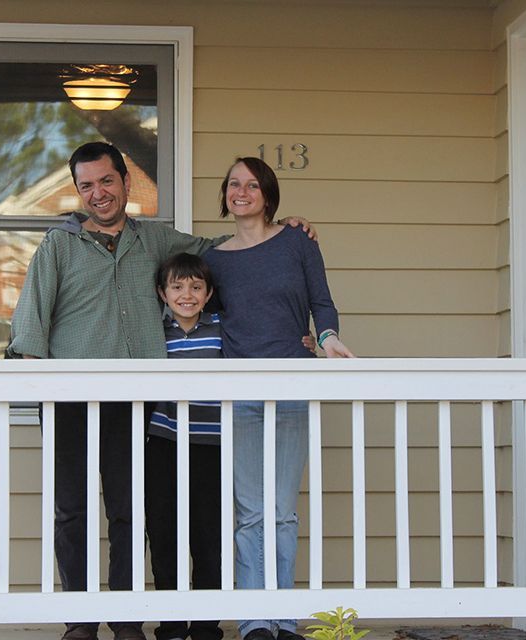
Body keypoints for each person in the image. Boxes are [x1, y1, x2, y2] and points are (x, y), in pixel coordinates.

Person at [8, 142, 314, 640]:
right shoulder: (59, 245)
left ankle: (128, 620)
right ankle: (82, 622)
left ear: (126, 182)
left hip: (136, 406)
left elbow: (218, 248)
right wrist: (41, 385)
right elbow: (30, 328)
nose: (98, 193)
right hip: (68, 399)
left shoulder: (153, 240)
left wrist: (278, 231)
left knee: (129, 513)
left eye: (106, 181)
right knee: (73, 512)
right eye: (86, 185)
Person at [203, 157, 355, 640]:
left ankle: (284, 618)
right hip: (240, 392)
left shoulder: (297, 241)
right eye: (233, 185)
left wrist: (326, 338)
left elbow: (321, 302)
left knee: (282, 511)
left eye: (251, 185)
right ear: (225, 195)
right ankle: (255, 623)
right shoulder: (214, 257)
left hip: (293, 386)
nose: (241, 192)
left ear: (268, 194)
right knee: (251, 513)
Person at [145, 252, 224, 640]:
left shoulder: (223, 330)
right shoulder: (153, 332)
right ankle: (172, 624)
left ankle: (206, 624)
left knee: (208, 535)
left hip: (211, 445)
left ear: (208, 293)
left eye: (195, 287)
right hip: (163, 442)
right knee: (164, 533)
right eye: (177, 287)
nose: (186, 294)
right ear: (162, 292)